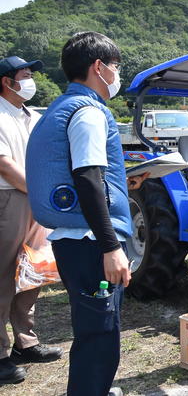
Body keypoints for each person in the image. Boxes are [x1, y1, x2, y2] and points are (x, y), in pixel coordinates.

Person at [26, 32, 133, 396]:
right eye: (116, 66)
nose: (118, 74)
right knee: (100, 335)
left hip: (77, 237)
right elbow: (87, 177)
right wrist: (111, 247)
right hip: (90, 241)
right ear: (99, 68)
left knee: (94, 329)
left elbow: (89, 178)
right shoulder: (87, 112)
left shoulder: (64, 106)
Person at [0, 56, 62, 385]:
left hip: (35, 199)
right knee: (3, 273)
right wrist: (39, 191)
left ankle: (26, 342)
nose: (30, 80)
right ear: (6, 82)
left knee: (32, 270)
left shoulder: (32, 116)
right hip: (9, 198)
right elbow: (5, 166)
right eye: (24, 75)